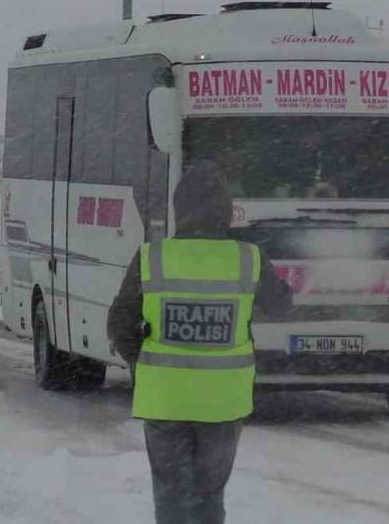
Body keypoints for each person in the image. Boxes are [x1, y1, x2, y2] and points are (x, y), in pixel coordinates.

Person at [108, 160, 291, 524]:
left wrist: (145, 363)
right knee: (209, 496)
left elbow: (119, 324)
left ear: (179, 210)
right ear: (226, 212)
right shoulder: (248, 259)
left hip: (165, 400)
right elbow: (282, 304)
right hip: (223, 401)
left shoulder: (151, 257)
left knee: (172, 496)